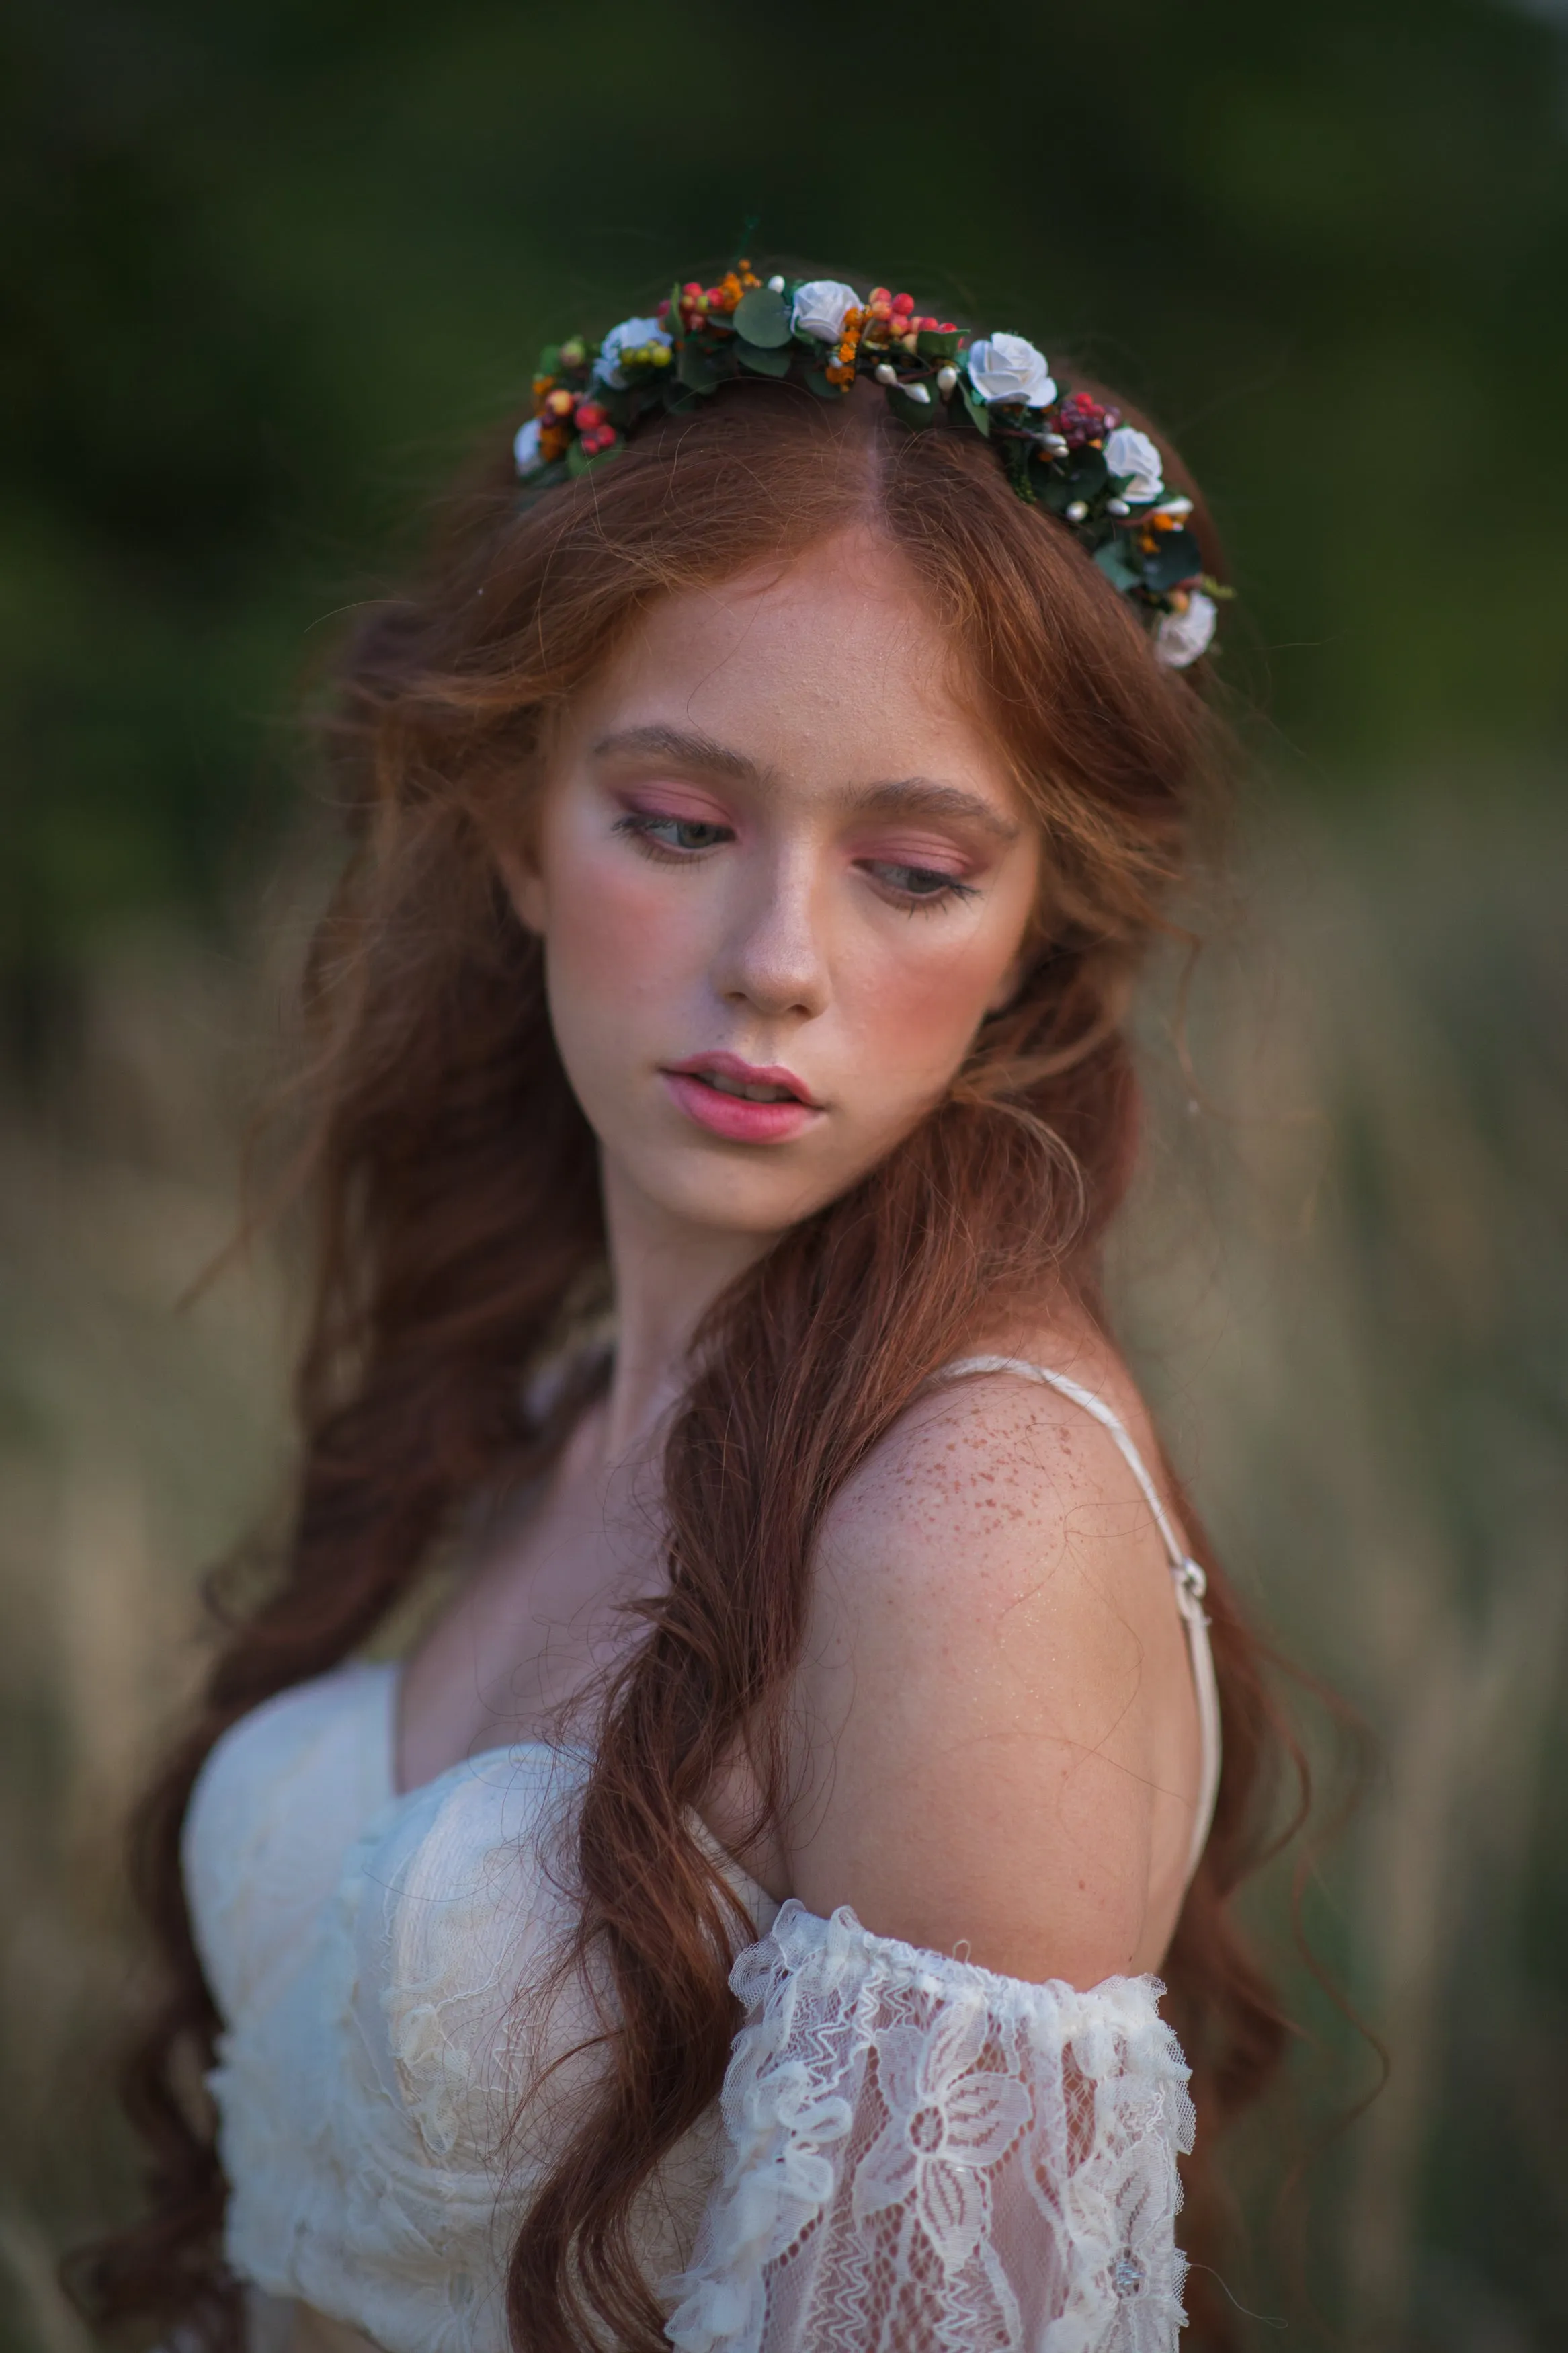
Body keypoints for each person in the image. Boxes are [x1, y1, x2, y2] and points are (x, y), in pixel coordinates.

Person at [79, 263, 1292, 2353]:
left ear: (1025, 930)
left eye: (912, 870)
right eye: (676, 823)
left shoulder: (963, 1524)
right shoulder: (555, 1401)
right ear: (522, 829)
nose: (773, 960)